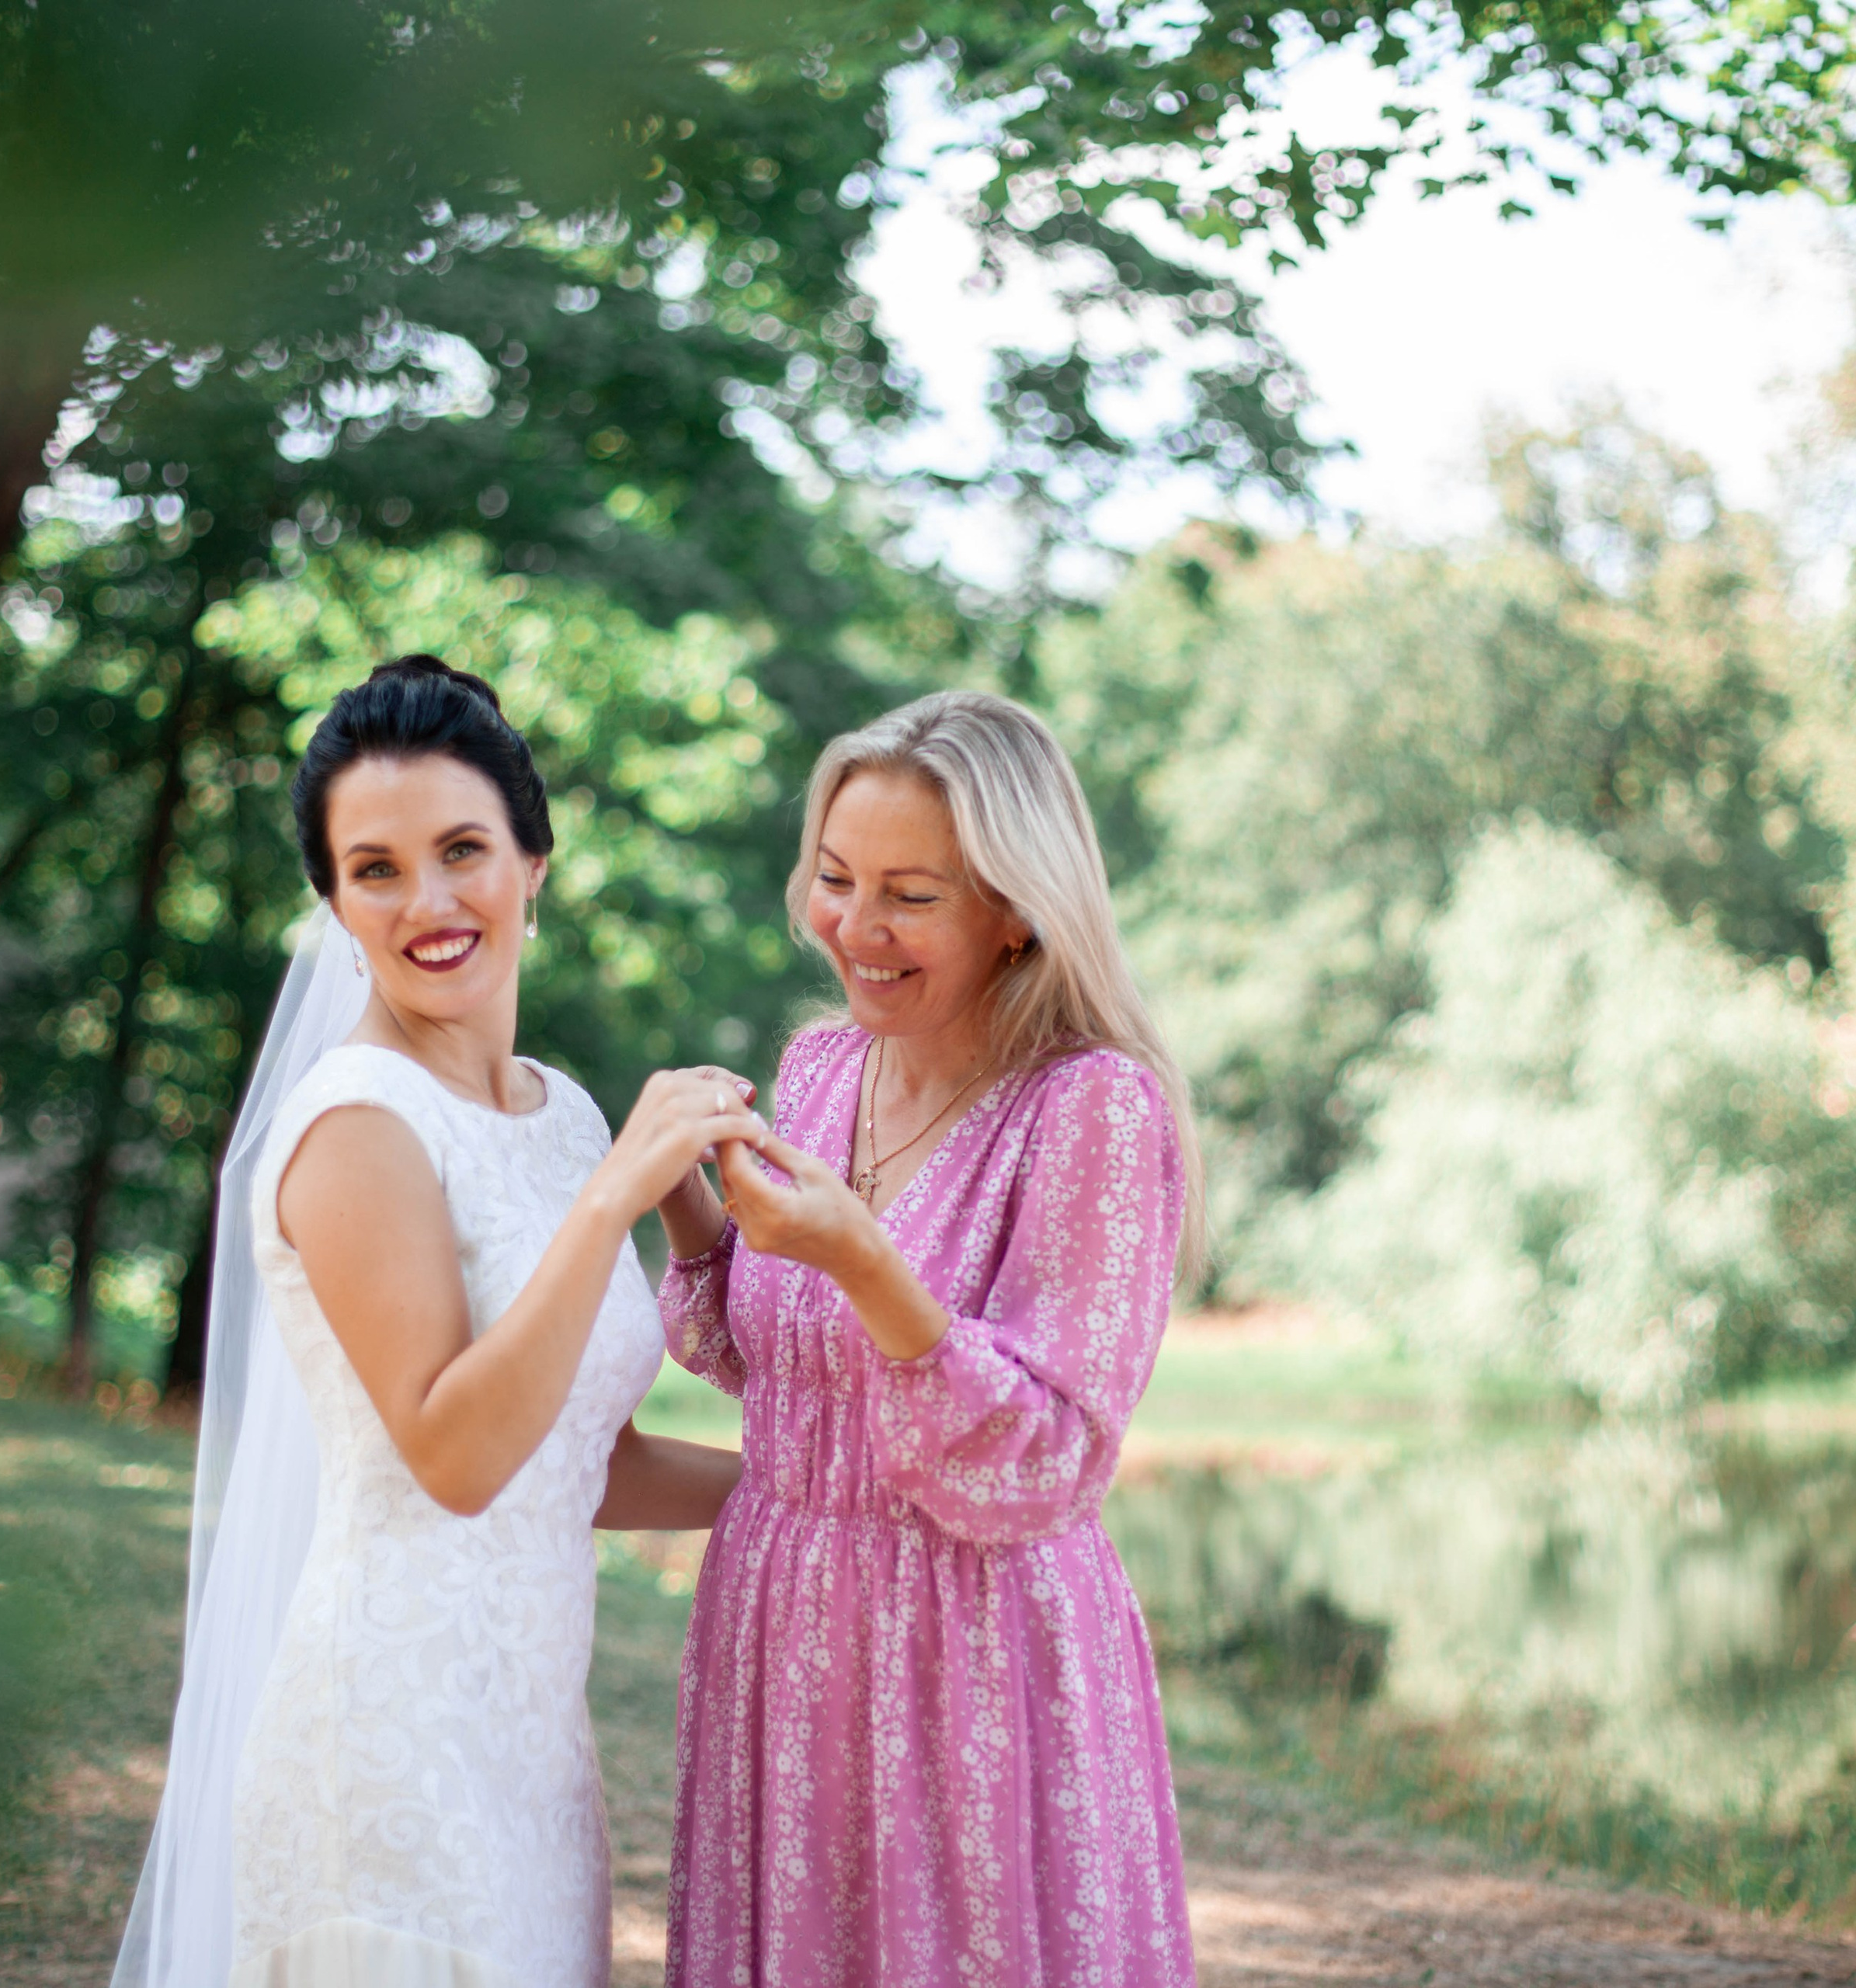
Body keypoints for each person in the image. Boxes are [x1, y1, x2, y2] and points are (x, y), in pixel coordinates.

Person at [114, 656, 760, 1988]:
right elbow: (456, 1459)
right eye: (377, 869)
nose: (429, 903)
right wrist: (615, 1202)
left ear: (536, 861)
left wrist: (817, 1495)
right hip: (386, 1751)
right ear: (336, 902)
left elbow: (587, 1461)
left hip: (529, 1749)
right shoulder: (357, 1124)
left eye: (463, 849)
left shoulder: (564, 1112)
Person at [658, 689, 1205, 1988]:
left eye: (913, 894)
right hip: (781, 1623)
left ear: (1015, 908)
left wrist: (864, 1260)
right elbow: (778, 1366)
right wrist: (693, 1196)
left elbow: (1048, 1455)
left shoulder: (1092, 1110)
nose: (855, 927)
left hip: (973, 1644)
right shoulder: (825, 1067)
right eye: (836, 879)